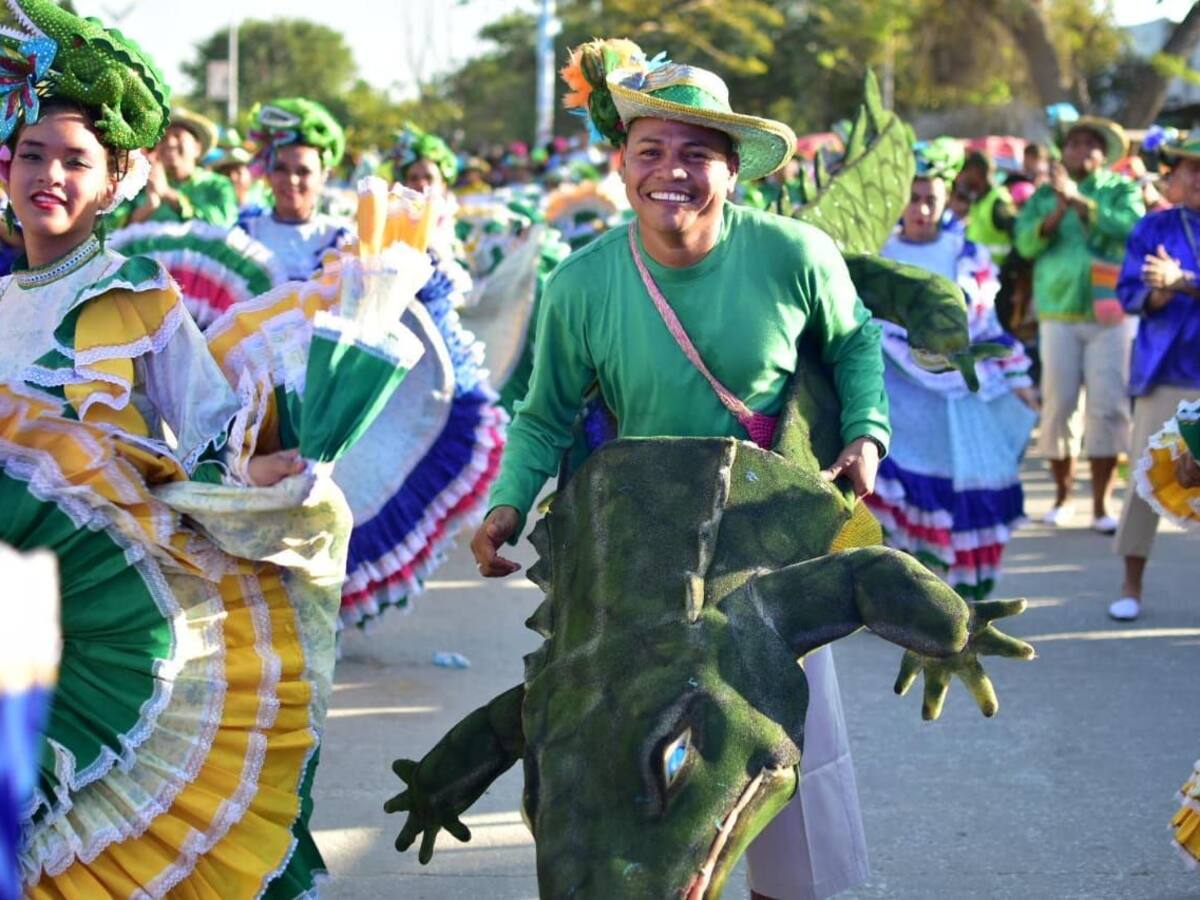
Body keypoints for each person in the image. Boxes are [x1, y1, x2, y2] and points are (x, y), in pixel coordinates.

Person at [473, 38, 889, 900]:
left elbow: (856, 342)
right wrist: (508, 503)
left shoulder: (794, 255)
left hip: (775, 546)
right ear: (622, 164)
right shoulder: (580, 285)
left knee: (792, 746)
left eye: (697, 154)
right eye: (651, 151)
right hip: (641, 560)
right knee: (645, 766)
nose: (673, 172)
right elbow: (546, 411)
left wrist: (866, 432)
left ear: (733, 171)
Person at [0, 8, 332, 892]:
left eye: (76, 160)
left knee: (74, 842)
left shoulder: (143, 299)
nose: (49, 176)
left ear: (115, 181)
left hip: (103, 628)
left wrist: (271, 475)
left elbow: (213, 443)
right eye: (32, 153)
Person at [869, 171, 1038, 600]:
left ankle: (941, 597)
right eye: (913, 197)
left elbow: (988, 326)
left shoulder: (966, 254)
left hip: (954, 396)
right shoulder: (875, 253)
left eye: (932, 199)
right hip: (896, 394)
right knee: (895, 494)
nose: (923, 209)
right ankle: (893, 593)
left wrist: (1017, 376)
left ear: (947, 202)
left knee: (952, 494)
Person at [1014, 116, 1143, 532]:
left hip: (1111, 315)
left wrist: (1082, 203)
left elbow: (1131, 229)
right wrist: (1055, 211)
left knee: (1108, 409)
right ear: (1063, 151)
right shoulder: (1043, 195)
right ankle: (1063, 497)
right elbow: (1025, 242)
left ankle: (1103, 506)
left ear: (1104, 155)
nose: (1081, 150)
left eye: (1091, 145)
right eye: (1074, 143)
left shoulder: (1119, 189)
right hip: (1058, 313)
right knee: (1058, 408)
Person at [1108, 135, 1200, 620]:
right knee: (1146, 481)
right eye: (1193, 169)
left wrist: (1181, 281)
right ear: (1175, 176)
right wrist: (1157, 295)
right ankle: (1130, 586)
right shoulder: (1153, 227)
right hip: (1164, 374)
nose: (1199, 178)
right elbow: (1129, 293)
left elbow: (1178, 281)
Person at [239, 98, 351, 280]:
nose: (291, 180)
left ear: (323, 176)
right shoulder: (244, 235)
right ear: (268, 173)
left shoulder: (341, 241)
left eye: (303, 171)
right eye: (281, 169)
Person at [118, 107, 238, 227]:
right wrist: (149, 206)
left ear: (197, 148)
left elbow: (224, 225)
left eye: (178, 136)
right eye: (163, 139)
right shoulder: (137, 187)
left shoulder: (217, 185)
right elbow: (110, 233)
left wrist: (168, 194)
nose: (170, 143)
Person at [959, 150, 1018, 265]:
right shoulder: (979, 200)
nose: (962, 176)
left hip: (997, 277)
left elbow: (1018, 235)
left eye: (965, 171)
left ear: (976, 171)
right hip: (979, 277)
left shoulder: (999, 202)